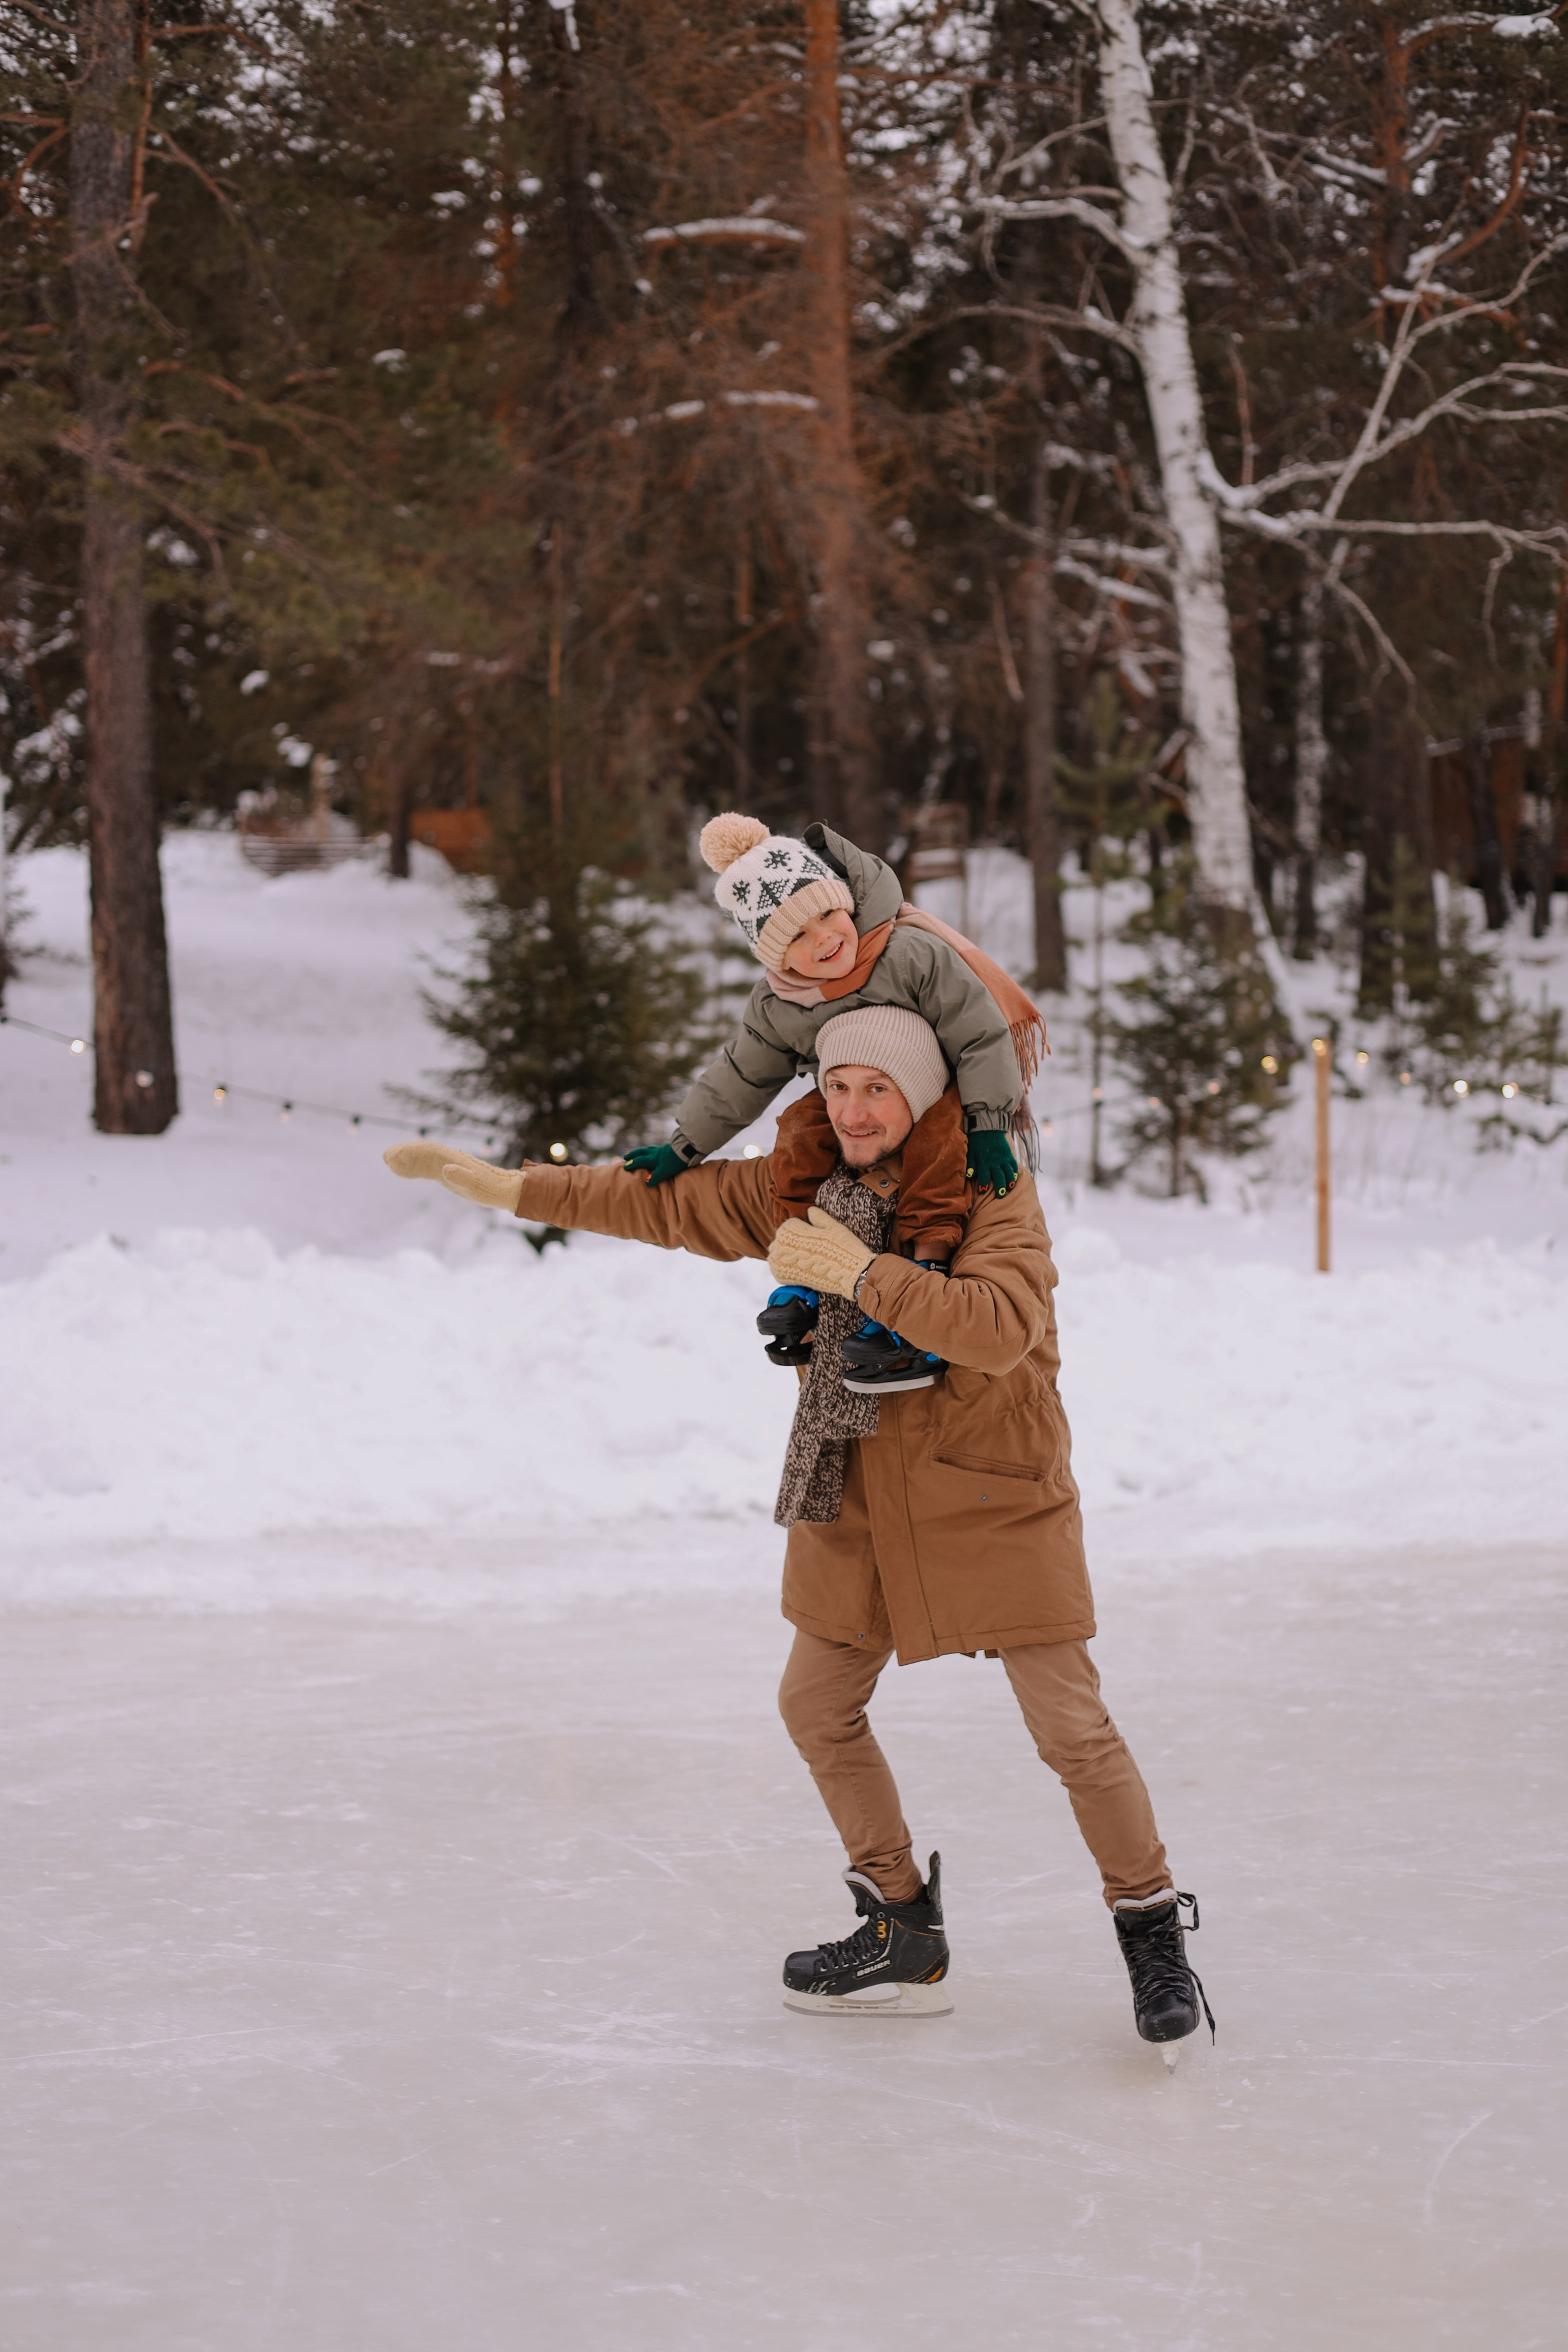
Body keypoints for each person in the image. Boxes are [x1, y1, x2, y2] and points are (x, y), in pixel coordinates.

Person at [384, 1012, 1215, 2057]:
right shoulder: (803, 1179)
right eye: (839, 1087)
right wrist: (512, 1189)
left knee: (1071, 1731)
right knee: (816, 1706)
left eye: (879, 1090)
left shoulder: (989, 1189)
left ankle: (1150, 1931)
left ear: (917, 1097)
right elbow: (666, 1202)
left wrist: (862, 1278)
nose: (855, 1110)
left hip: (989, 1490)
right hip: (856, 1486)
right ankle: (902, 1927)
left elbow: (1001, 1328)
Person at [622, 814, 1046, 1392]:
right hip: (853, 1097)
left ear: (845, 900)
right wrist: (685, 1143)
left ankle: (926, 1266)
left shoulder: (909, 954)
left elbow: (979, 1033)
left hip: (938, 1092)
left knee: (939, 1144)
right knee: (799, 1129)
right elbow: (742, 1072)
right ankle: (803, 1267)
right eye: (796, 936)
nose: (824, 938)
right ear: (775, 956)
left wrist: (990, 1123)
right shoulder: (780, 1004)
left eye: (826, 913)